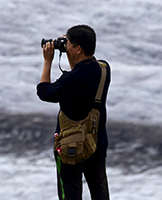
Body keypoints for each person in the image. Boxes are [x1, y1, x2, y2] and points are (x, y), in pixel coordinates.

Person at [37, 24, 111, 200]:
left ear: (78, 49)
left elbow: (44, 91)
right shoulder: (103, 69)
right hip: (97, 142)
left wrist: (47, 61)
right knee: (99, 188)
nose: (66, 45)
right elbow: (81, 71)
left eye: (69, 43)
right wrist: (71, 52)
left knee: (70, 192)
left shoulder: (70, 81)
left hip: (71, 147)